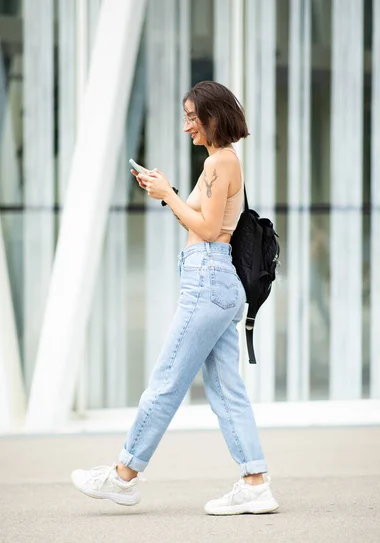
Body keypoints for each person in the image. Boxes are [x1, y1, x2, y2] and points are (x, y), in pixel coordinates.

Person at [71, 81, 279, 516]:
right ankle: (255, 481)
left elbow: (205, 231)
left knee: (166, 381)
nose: (187, 126)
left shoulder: (221, 163)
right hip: (213, 280)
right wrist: (165, 192)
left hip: (208, 279)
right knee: (226, 389)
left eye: (192, 117)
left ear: (213, 117)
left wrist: (168, 195)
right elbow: (202, 220)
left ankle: (124, 475)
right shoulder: (219, 164)